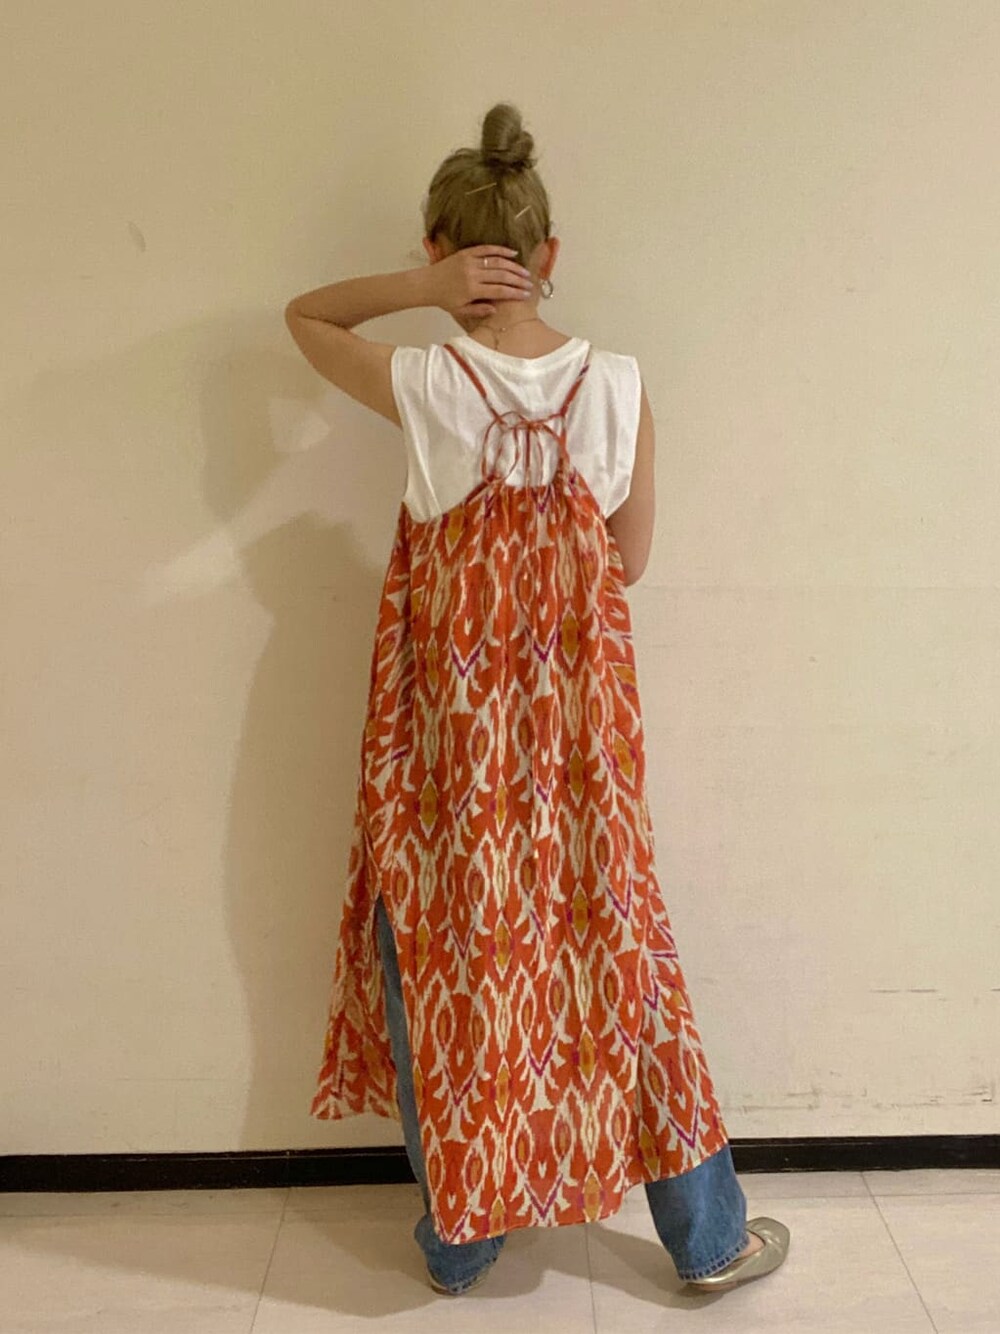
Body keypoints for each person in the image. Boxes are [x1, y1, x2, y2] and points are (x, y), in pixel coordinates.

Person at [285, 101, 790, 1299]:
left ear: (439, 249)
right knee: (624, 957)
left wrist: (420, 292)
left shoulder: (424, 381)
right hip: (579, 750)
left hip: (448, 751)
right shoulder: (616, 385)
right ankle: (707, 1237)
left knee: (440, 957)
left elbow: (305, 317)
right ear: (548, 251)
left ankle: (460, 1240)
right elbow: (629, 560)